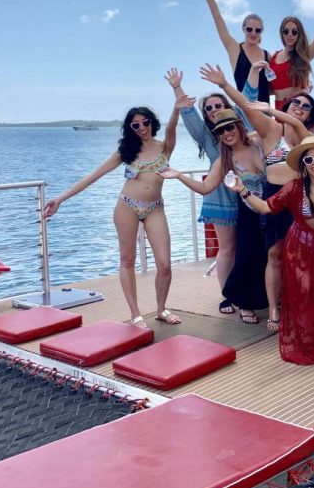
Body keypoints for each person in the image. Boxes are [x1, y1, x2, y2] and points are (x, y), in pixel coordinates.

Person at [44, 89, 183, 328]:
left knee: (164, 264)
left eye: (145, 122)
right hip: (127, 207)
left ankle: (161, 309)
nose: (141, 127)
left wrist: (177, 105)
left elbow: (172, 129)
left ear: (152, 123)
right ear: (130, 129)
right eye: (135, 125)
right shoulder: (125, 152)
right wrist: (60, 199)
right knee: (127, 260)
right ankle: (136, 314)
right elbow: (93, 176)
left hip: (154, 208)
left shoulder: (164, 147)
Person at [231, 136, 314, 364]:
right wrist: (243, 190)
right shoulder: (293, 187)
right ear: (303, 164)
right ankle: (305, 338)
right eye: (309, 159)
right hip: (298, 247)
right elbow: (265, 207)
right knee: (302, 292)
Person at [200, 62, 314, 330]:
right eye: (295, 102)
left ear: (311, 114)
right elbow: (247, 107)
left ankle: (296, 303)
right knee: (271, 254)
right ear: (285, 107)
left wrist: (290, 119)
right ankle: (272, 309)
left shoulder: (308, 137)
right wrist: (224, 85)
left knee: (299, 256)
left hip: (302, 200)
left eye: (306, 105)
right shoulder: (270, 131)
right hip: (271, 198)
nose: (299, 106)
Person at [162, 109, 269, 324]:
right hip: (248, 214)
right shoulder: (223, 160)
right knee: (248, 258)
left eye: (229, 127)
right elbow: (204, 187)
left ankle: (272, 301)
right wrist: (180, 175)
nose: (226, 133)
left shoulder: (259, 145)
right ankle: (245, 304)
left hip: (273, 208)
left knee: (272, 257)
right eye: (220, 131)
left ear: (239, 126)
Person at [168, 70, 245, 315]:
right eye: (209, 108)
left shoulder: (241, 130)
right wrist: (177, 88)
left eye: (218, 105)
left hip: (247, 196)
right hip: (221, 198)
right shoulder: (209, 138)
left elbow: (247, 104)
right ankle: (227, 296)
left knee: (247, 248)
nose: (213, 110)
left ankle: (250, 293)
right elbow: (189, 115)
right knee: (227, 249)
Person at [202, 0, 272, 102]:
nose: (253, 33)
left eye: (257, 30)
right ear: (243, 29)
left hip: (265, 113)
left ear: (261, 31)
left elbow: (270, 87)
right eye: (249, 29)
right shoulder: (234, 49)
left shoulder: (267, 55)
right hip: (245, 110)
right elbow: (217, 17)